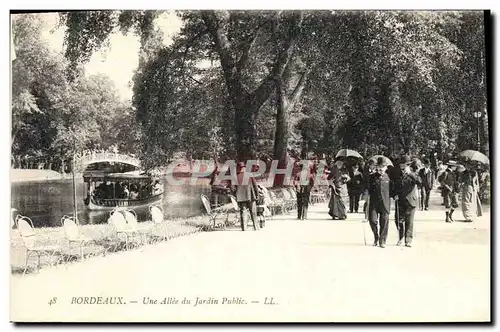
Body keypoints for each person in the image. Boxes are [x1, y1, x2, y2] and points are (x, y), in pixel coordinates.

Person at [394, 155, 421, 247]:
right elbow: (394, 186)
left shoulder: (414, 173)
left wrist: (410, 174)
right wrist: (394, 194)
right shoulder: (397, 174)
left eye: (405, 165)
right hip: (400, 200)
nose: (403, 167)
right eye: (401, 165)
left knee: (409, 221)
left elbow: (420, 182)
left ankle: (408, 240)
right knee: (398, 220)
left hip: (410, 200)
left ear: (409, 165)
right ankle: (400, 237)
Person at [368, 157, 393, 248]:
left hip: (385, 203)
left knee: (384, 222)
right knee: (372, 220)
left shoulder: (389, 177)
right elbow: (369, 189)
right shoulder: (372, 177)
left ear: (386, 167)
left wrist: (395, 196)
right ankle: (376, 236)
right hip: (374, 203)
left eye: (383, 166)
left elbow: (392, 189)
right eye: (379, 166)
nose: (381, 168)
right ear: (377, 167)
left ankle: (382, 241)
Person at [233, 161, 260, 231]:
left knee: (243, 212)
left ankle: (244, 228)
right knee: (253, 212)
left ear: (238, 168)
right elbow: (255, 186)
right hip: (250, 196)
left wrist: (236, 195)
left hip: (241, 197)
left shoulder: (236, 177)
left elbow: (232, 188)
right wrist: (257, 195)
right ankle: (256, 227)